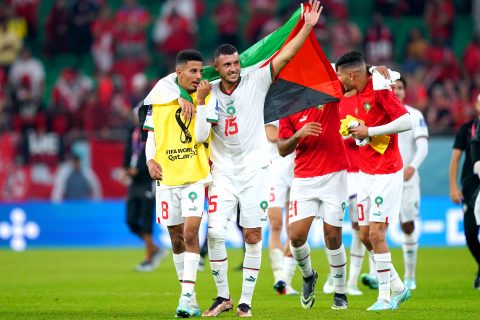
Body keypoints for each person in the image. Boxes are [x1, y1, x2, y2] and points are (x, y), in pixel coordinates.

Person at [198, 1, 324, 316]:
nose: (234, 68)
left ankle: (245, 301)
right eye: (227, 65)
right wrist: (196, 100)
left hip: (255, 172)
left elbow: (285, 55)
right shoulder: (208, 91)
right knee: (214, 232)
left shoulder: (257, 79)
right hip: (222, 173)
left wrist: (307, 26)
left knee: (253, 234)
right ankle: (223, 296)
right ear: (218, 66)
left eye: (236, 63)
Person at [335, 50, 412, 311]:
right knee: (366, 234)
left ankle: (384, 297)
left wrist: (371, 131)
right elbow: (370, 128)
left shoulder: (380, 86)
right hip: (365, 172)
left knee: (377, 233)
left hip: (387, 171)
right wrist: (359, 132)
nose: (339, 81)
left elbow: (405, 121)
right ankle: (399, 287)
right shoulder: (361, 90)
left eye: (341, 76)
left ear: (352, 74)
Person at [144, 49, 213, 318]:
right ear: (179, 72)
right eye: (193, 71)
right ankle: (191, 298)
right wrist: (150, 161)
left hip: (194, 176)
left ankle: (185, 296)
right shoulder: (159, 99)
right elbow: (151, 137)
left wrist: (201, 103)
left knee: (192, 234)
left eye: (201, 71)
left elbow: (200, 137)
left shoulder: (207, 97)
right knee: (175, 239)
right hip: (167, 178)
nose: (199, 76)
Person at [121, 106, 167, 272]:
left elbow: (154, 155)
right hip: (134, 181)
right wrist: (125, 169)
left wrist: (139, 169)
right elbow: (128, 153)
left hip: (148, 180)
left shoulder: (152, 133)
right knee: (130, 219)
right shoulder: (132, 133)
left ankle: (149, 257)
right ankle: (154, 248)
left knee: (146, 218)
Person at [394, 77, 429, 290]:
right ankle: (373, 274)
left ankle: (409, 275)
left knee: (407, 225)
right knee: (374, 226)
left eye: (400, 88)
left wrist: (412, 167)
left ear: (405, 92)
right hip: (383, 178)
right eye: (393, 87)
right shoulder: (377, 114)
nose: (396, 91)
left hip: (407, 180)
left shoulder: (415, 115)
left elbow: (423, 145)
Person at [449, 94, 480, 289]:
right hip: (470, 185)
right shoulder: (467, 129)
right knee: (470, 234)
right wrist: (453, 186)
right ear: (477, 105)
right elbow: (456, 159)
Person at [265, 121, 298, 296]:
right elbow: (273, 136)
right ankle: (278, 275)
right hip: (275, 171)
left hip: (297, 169)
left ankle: (286, 279)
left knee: (293, 228)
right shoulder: (271, 104)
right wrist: (299, 133)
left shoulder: (298, 103)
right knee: (275, 224)